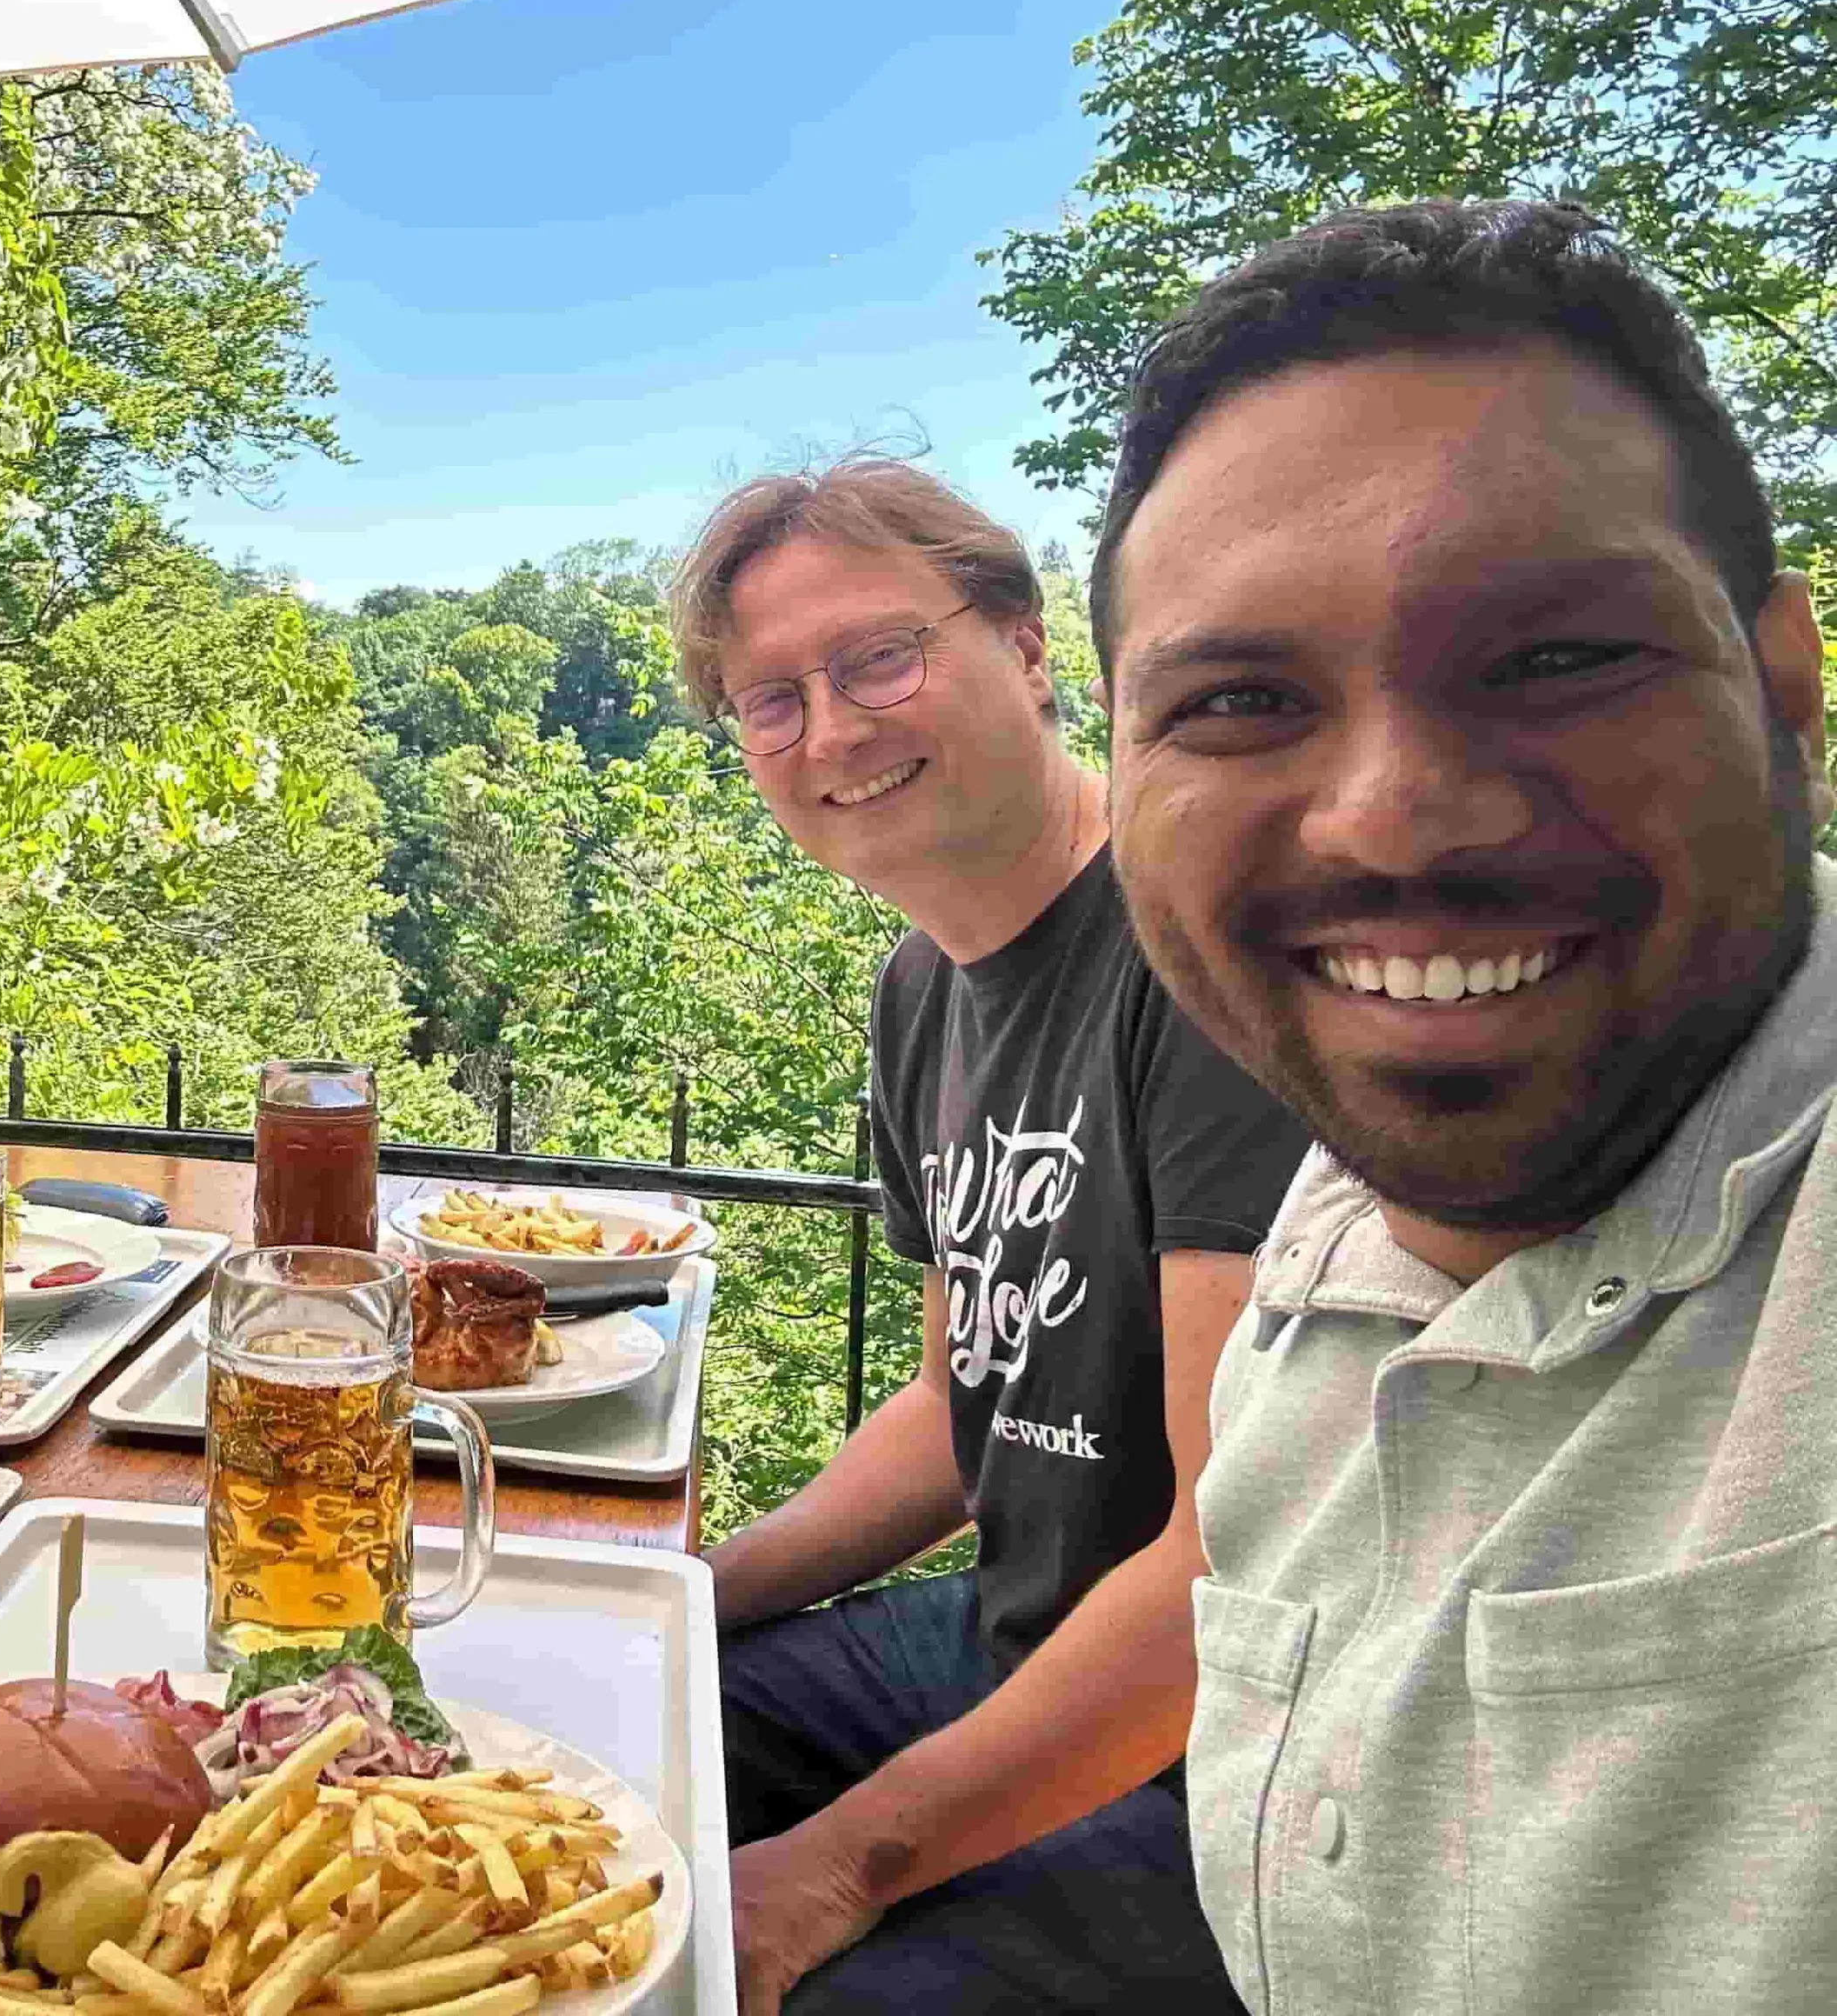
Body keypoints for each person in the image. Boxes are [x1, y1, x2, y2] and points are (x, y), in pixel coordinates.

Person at [1095, 199, 1837, 2013]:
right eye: (1243, 698)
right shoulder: (1331, 1224)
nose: (1398, 817)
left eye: (1559, 658)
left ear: (1786, 687)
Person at [664, 459, 1311, 2013]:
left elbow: (1241, 1562)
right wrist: (688, 1592)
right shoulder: (923, 988)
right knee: (616, 1732)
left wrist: (838, 1867)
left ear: (1028, 647)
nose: (831, 729)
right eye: (769, 701)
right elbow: (967, 1413)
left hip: (1228, 1764)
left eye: (880, 656)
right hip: (1003, 1636)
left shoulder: (1191, 959)